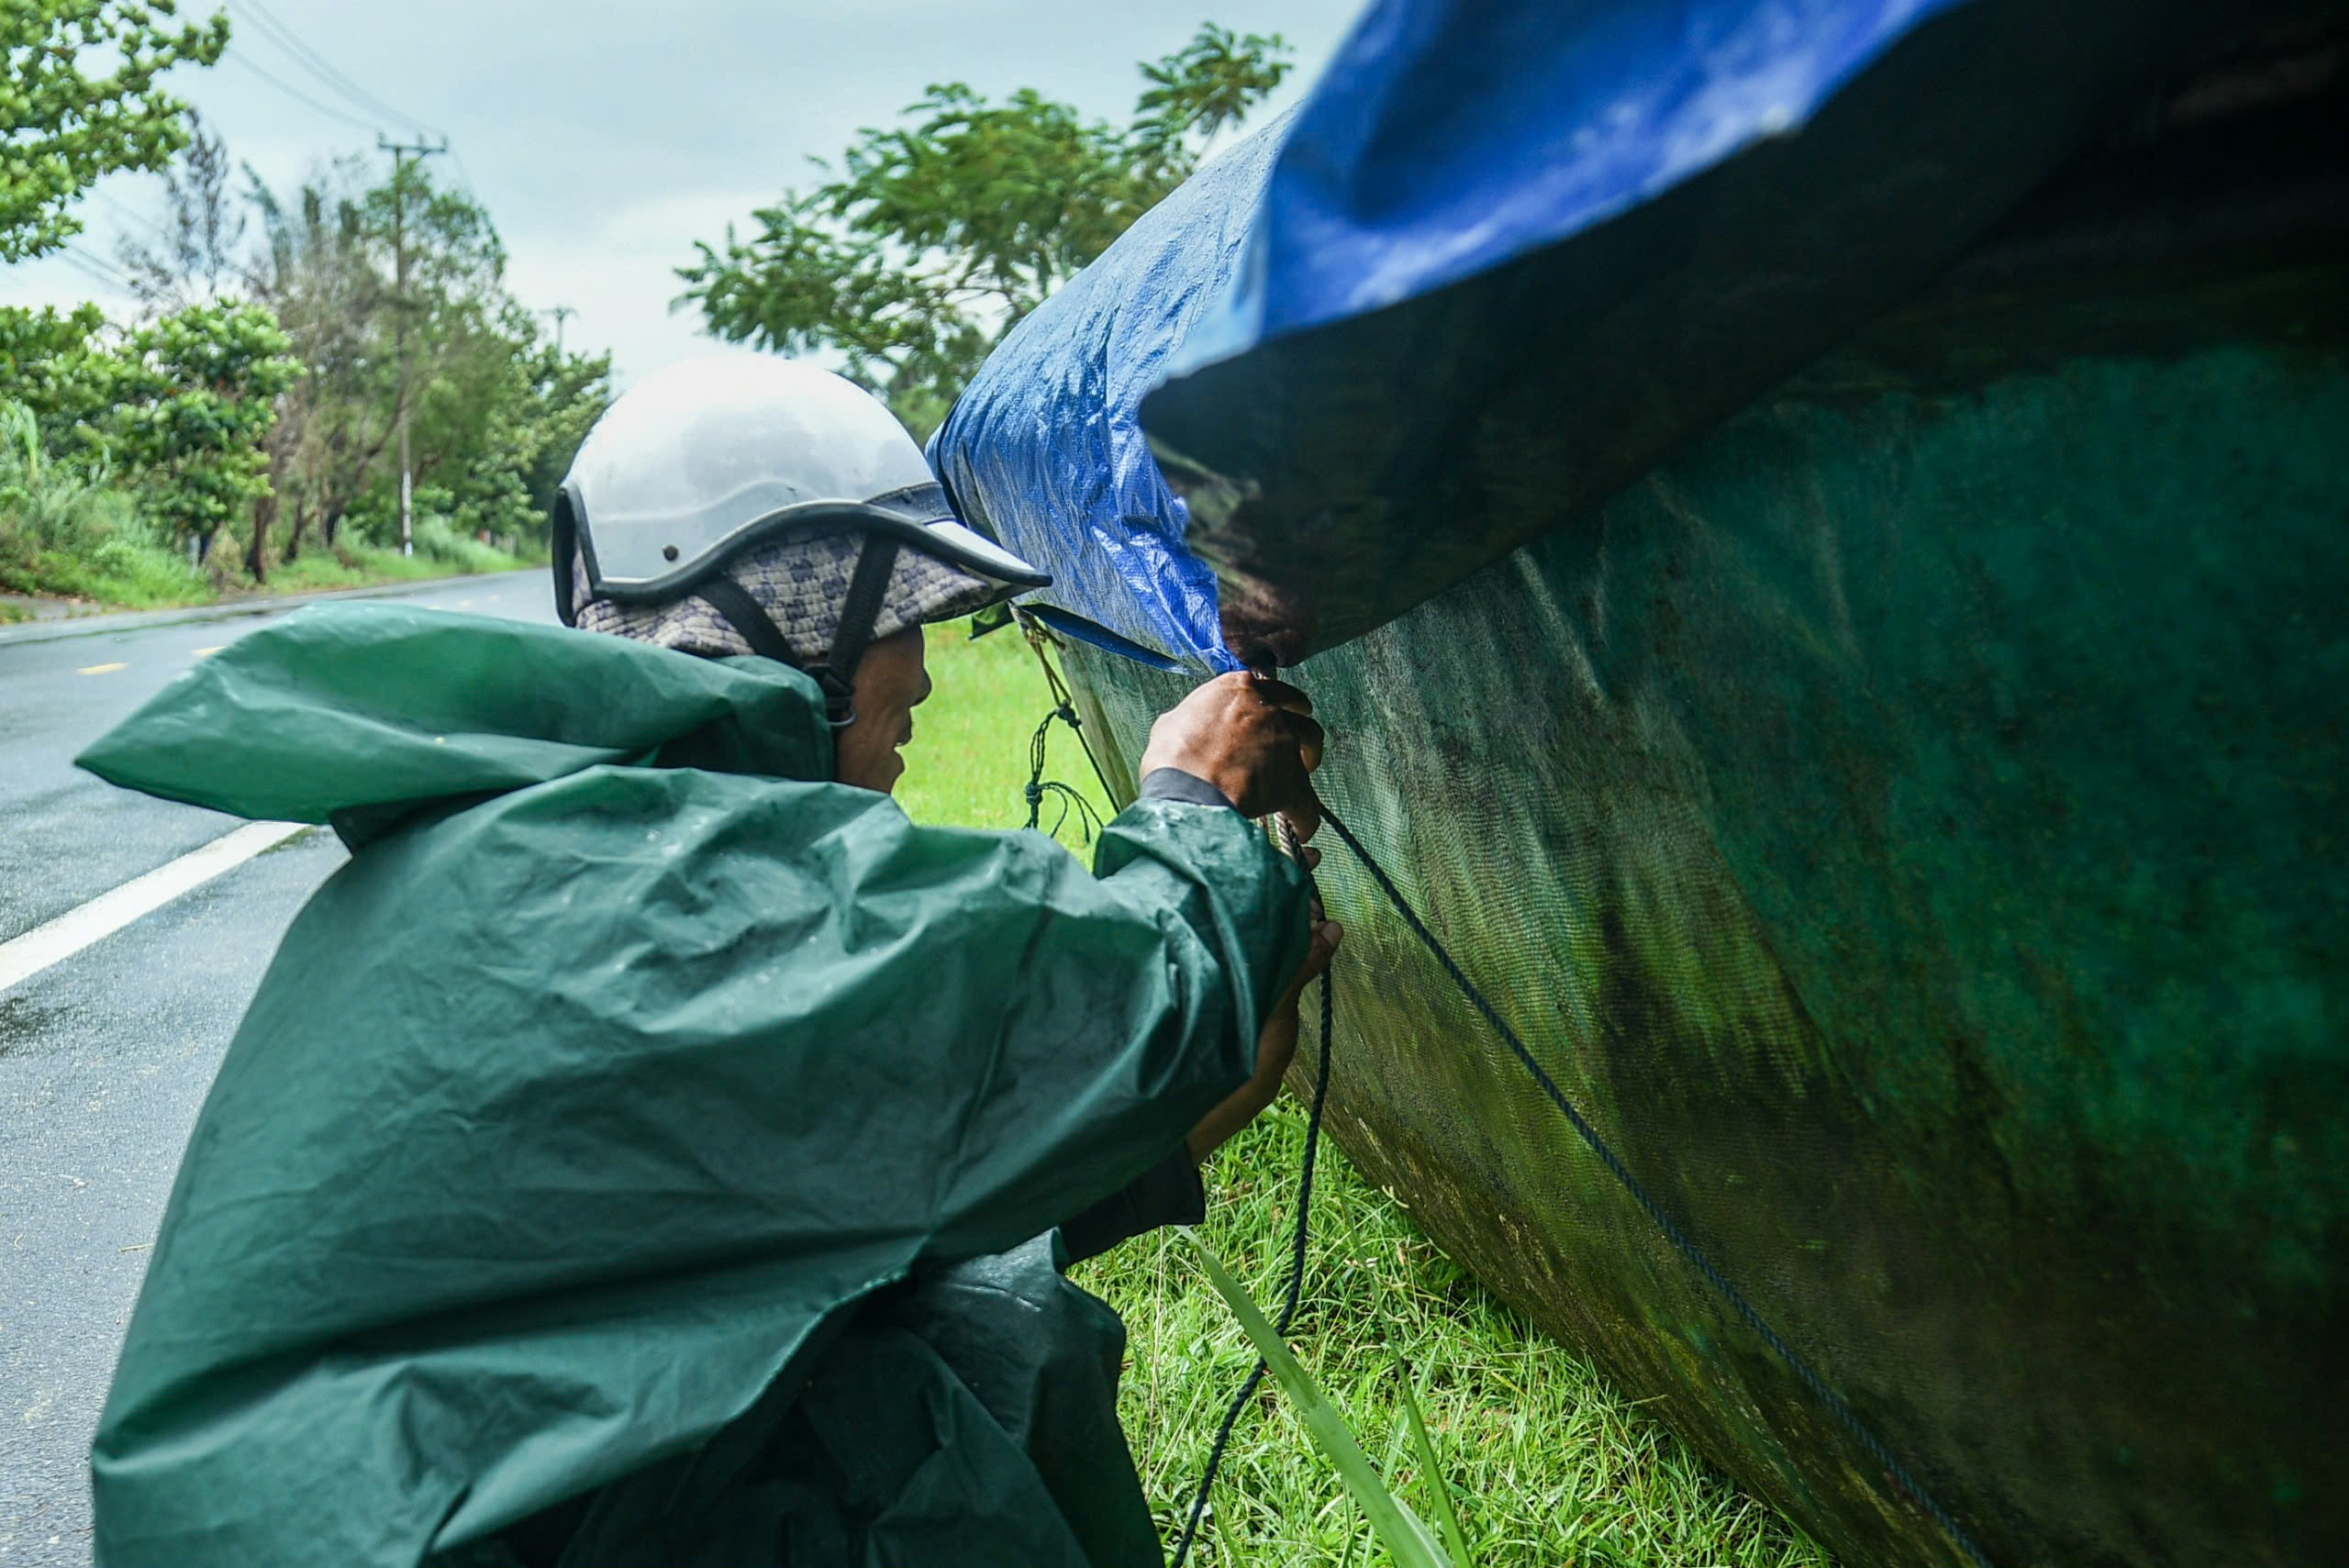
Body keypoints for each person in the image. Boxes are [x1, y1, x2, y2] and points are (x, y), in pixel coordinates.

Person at [75, 353, 1338, 1568]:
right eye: (902, 614)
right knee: (968, 1375)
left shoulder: (576, 836)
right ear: (806, 617)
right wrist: (1193, 788)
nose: (926, 678)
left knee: (938, 1318)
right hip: (417, 1532)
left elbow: (789, 1194)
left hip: (438, 1512)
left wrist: (1157, 1132)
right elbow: (1136, 996)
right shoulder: (675, 887)